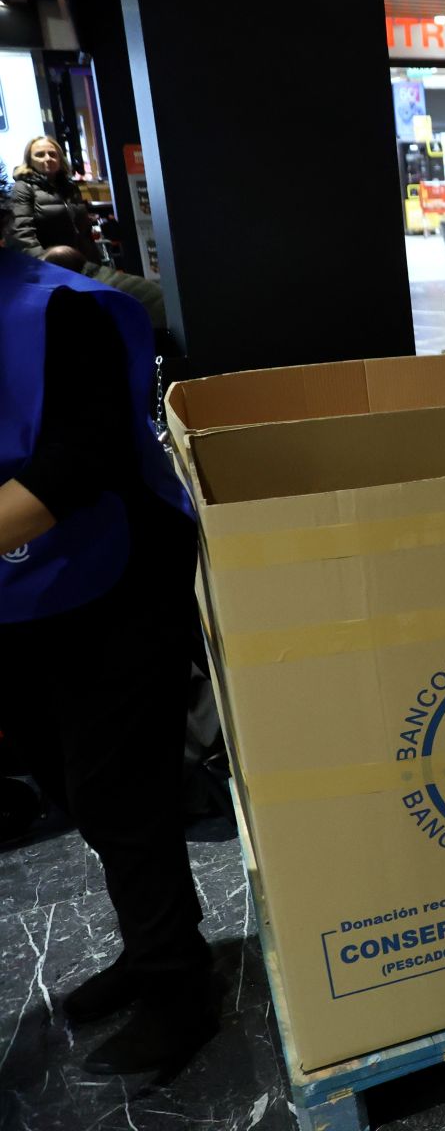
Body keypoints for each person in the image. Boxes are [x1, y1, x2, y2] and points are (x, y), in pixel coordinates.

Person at [0, 247, 216, 1078]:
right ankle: (149, 947)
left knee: (120, 791)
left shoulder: (61, 312)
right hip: (14, 600)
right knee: (66, 784)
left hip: (114, 578)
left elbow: (73, 469)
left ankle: (178, 984)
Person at [6, 136, 167, 329]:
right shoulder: (23, 188)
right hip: (53, 273)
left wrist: (92, 262)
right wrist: (46, 269)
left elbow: (83, 231)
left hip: (83, 268)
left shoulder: (69, 187)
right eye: (40, 155)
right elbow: (22, 234)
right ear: (29, 160)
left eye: (52, 154)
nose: (47, 158)